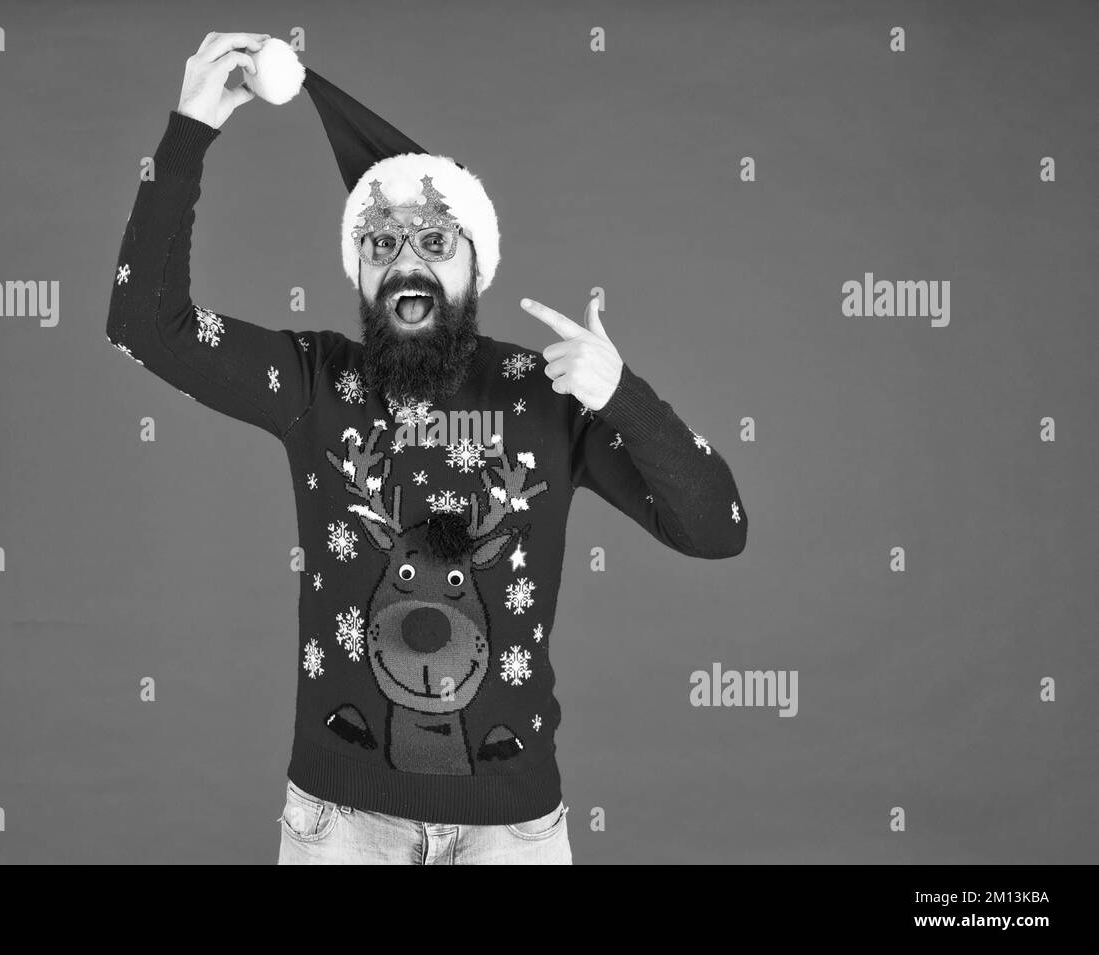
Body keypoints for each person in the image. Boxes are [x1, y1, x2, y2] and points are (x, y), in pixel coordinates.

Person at [106, 31, 748, 864]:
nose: (407, 264)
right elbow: (143, 325)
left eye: (435, 243)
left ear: (476, 267)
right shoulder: (314, 384)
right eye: (381, 244)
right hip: (341, 823)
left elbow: (717, 526)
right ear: (359, 272)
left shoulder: (547, 394)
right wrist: (189, 129)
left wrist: (623, 394)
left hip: (511, 829)